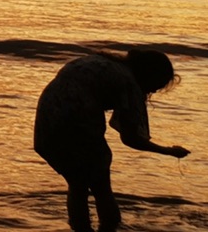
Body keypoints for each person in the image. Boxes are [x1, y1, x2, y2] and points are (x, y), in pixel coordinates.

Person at [33, 49, 190, 232]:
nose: (154, 90)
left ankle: (81, 228)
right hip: (76, 123)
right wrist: (169, 151)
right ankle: (108, 227)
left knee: (78, 184)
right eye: (157, 85)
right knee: (101, 187)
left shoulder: (102, 62)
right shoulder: (128, 83)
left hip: (47, 120)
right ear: (149, 75)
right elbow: (131, 138)